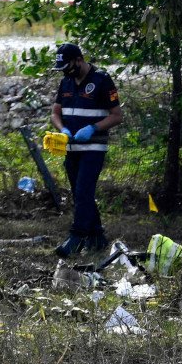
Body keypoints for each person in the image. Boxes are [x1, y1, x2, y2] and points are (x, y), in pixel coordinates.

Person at [50, 43, 123, 258]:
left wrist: (93, 128)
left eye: (67, 66)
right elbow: (55, 113)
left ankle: (77, 237)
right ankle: (97, 237)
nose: (65, 71)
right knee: (80, 194)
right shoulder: (65, 82)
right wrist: (61, 129)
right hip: (72, 147)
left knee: (83, 191)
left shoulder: (102, 80)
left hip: (93, 147)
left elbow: (117, 115)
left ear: (79, 60)